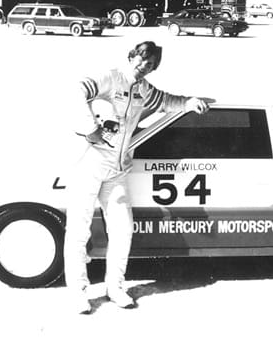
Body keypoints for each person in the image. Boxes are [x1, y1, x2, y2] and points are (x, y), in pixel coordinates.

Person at [65, 41, 212, 313]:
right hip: (90, 163)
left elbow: (168, 101)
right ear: (131, 56)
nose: (145, 67)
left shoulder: (144, 89)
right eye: (142, 60)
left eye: (151, 65)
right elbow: (77, 89)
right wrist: (88, 128)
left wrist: (190, 102)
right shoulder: (111, 76)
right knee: (78, 230)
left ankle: (115, 287)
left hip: (118, 169)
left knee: (122, 230)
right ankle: (78, 293)